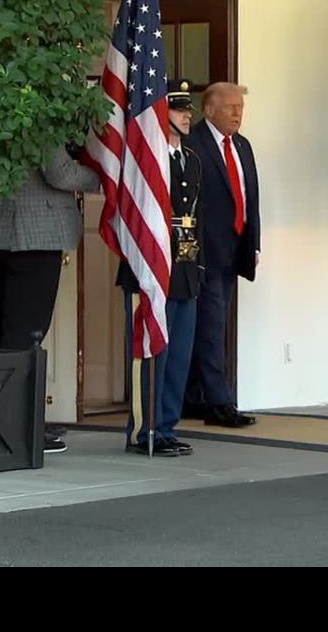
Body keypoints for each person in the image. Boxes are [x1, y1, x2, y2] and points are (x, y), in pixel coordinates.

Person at [0, 145, 101, 453]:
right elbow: (60, 173)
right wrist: (101, 176)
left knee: (3, 331)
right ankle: (19, 429)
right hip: (33, 238)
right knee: (25, 336)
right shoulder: (37, 109)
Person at [118, 79, 202, 457]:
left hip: (183, 265)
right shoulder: (146, 159)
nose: (187, 117)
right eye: (180, 110)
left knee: (180, 351)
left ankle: (166, 425)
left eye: (189, 111)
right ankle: (143, 429)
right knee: (151, 350)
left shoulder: (192, 158)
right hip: (150, 264)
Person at [182, 82, 261, 428]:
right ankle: (219, 403)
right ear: (209, 110)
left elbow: (251, 197)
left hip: (235, 249)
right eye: (230, 107)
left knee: (212, 325)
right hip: (204, 252)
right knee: (211, 327)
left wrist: (253, 243)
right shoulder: (192, 144)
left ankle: (194, 397)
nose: (237, 113)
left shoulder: (242, 146)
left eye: (240, 107)